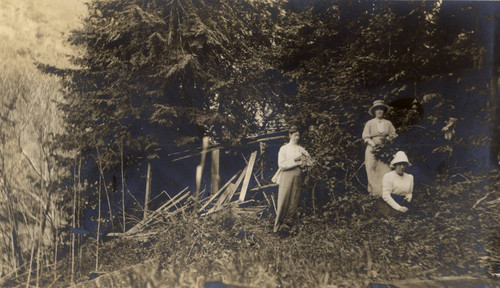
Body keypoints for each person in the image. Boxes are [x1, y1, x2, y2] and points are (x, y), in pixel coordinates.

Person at [271, 126, 313, 233]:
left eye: (298, 135)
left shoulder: (300, 148)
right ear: (290, 135)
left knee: (294, 200)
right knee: (283, 199)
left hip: (297, 176)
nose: (297, 137)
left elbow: (310, 162)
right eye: (295, 135)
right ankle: (277, 226)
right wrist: (296, 162)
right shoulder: (284, 148)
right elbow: (281, 164)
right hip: (286, 175)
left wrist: (305, 163)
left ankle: (292, 226)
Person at [362, 100, 398, 196]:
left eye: (381, 110)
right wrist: (374, 145)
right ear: (374, 111)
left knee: (385, 168)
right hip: (372, 148)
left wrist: (387, 140)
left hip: (385, 148)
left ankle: (385, 194)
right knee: (372, 168)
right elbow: (365, 136)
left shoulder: (388, 123)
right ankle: (374, 193)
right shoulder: (369, 123)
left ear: (384, 111)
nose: (379, 112)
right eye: (377, 109)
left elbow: (394, 134)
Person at [377, 151, 414, 217]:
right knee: (393, 216)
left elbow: (409, 193)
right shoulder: (388, 176)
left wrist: (407, 200)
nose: (402, 167)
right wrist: (399, 208)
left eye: (404, 164)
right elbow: (386, 195)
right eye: (399, 164)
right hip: (390, 202)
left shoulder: (410, 177)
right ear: (395, 165)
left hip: (403, 202)